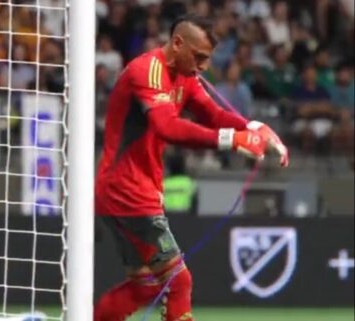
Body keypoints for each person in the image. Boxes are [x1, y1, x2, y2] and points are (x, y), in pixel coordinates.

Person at [94, 15, 289, 321]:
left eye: (206, 59)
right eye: (198, 57)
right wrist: (233, 140)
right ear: (177, 43)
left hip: (127, 189)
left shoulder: (185, 75)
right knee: (178, 281)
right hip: (127, 191)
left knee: (145, 286)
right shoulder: (147, 70)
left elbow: (212, 113)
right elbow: (166, 127)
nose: (203, 67)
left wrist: (256, 127)